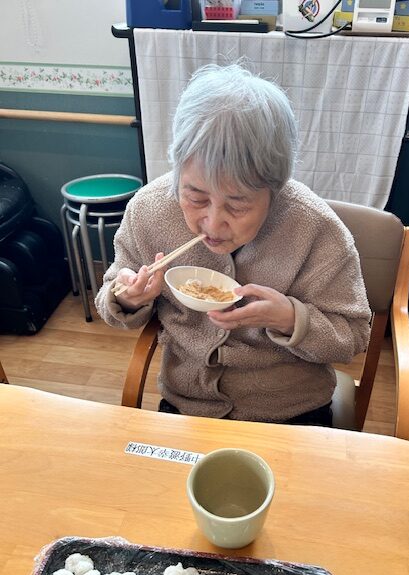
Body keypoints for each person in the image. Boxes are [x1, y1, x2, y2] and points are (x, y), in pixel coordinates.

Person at [95, 63, 371, 427]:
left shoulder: (315, 229)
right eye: (195, 197)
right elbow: (111, 296)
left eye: (237, 205)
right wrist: (130, 298)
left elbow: (354, 335)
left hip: (290, 413)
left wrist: (290, 318)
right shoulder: (149, 211)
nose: (212, 223)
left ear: (275, 188)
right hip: (188, 406)